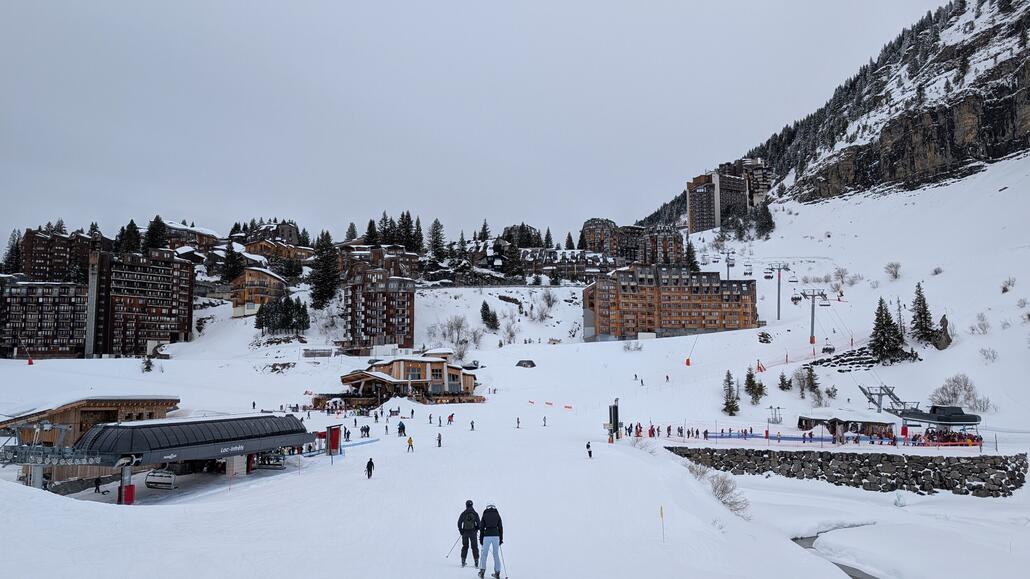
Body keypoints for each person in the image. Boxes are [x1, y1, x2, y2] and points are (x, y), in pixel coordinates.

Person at [478, 503, 503, 579]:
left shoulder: (485, 514)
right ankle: (497, 572)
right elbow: (500, 528)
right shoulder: (497, 515)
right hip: (496, 536)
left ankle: (482, 572)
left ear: (487, 507)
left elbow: (481, 528)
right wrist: (501, 539)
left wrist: (481, 539)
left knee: (484, 554)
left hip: (487, 535)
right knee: (496, 554)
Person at [458, 499, 480, 568]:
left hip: (465, 533)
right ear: (472, 505)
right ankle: (476, 562)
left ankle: (463, 561)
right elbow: (479, 524)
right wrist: (476, 529)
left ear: (466, 505)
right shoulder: (475, 513)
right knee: (474, 547)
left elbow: (459, 523)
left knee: (465, 546)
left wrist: (461, 531)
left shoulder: (463, 513)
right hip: (473, 533)